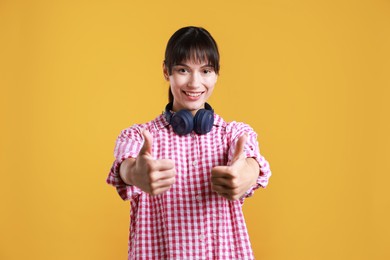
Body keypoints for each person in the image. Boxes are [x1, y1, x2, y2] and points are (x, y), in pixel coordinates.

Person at [106, 26, 271, 260]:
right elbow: (126, 166)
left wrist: (247, 173)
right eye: (183, 69)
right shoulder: (139, 137)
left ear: (216, 75)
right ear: (166, 71)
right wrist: (135, 173)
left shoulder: (233, 134)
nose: (195, 83)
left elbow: (251, 161)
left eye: (205, 71)